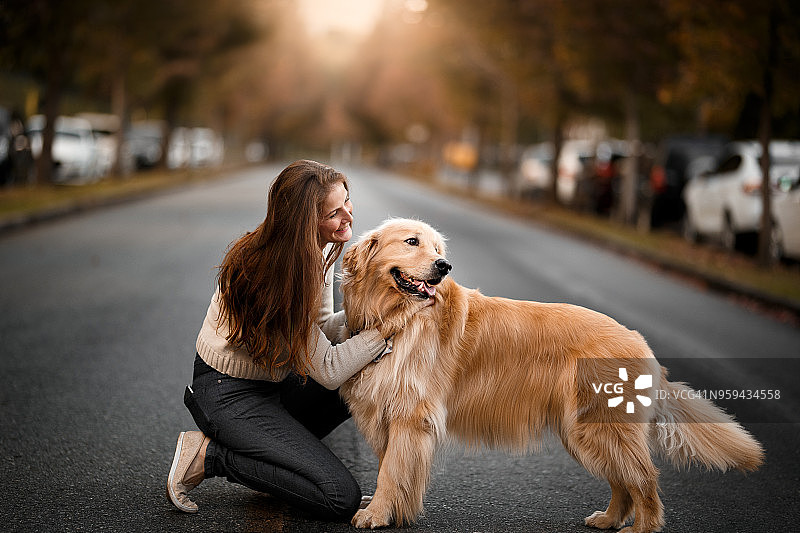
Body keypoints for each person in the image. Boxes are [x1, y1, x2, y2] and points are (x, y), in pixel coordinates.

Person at [166, 160, 428, 521]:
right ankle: (211, 456)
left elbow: (321, 327)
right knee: (339, 498)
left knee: (360, 373)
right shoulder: (275, 275)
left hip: (274, 383)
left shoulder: (315, 249)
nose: (348, 217)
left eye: (347, 202)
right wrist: (386, 328)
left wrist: (384, 305)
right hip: (228, 391)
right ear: (306, 222)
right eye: (334, 213)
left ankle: (274, 461)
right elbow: (330, 370)